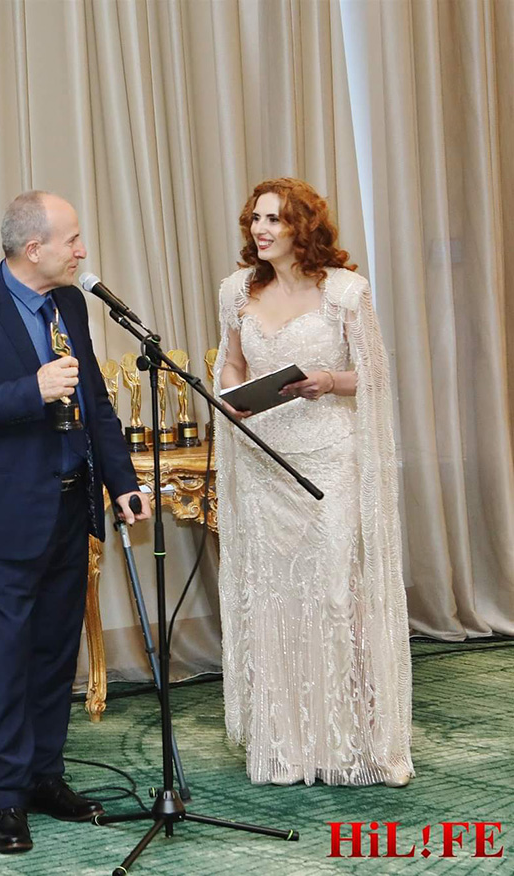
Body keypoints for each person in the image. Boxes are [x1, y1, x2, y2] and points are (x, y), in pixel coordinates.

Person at [0, 191, 150, 853]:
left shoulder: (70, 304)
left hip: (71, 507)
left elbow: (96, 401)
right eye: (71, 239)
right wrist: (33, 390)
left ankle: (45, 777)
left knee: (55, 653)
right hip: (6, 517)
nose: (82, 250)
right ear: (33, 248)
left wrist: (123, 483)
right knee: (13, 657)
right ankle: (6, 796)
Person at [214, 178, 413, 788]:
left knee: (333, 595)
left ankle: (354, 741)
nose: (261, 229)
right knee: (272, 597)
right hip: (264, 461)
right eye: (256, 219)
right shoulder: (236, 291)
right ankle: (287, 745)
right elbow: (232, 362)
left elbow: (373, 376)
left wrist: (327, 381)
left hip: (328, 459)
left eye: (275, 219)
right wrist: (230, 396)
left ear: (303, 227)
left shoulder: (347, 292)